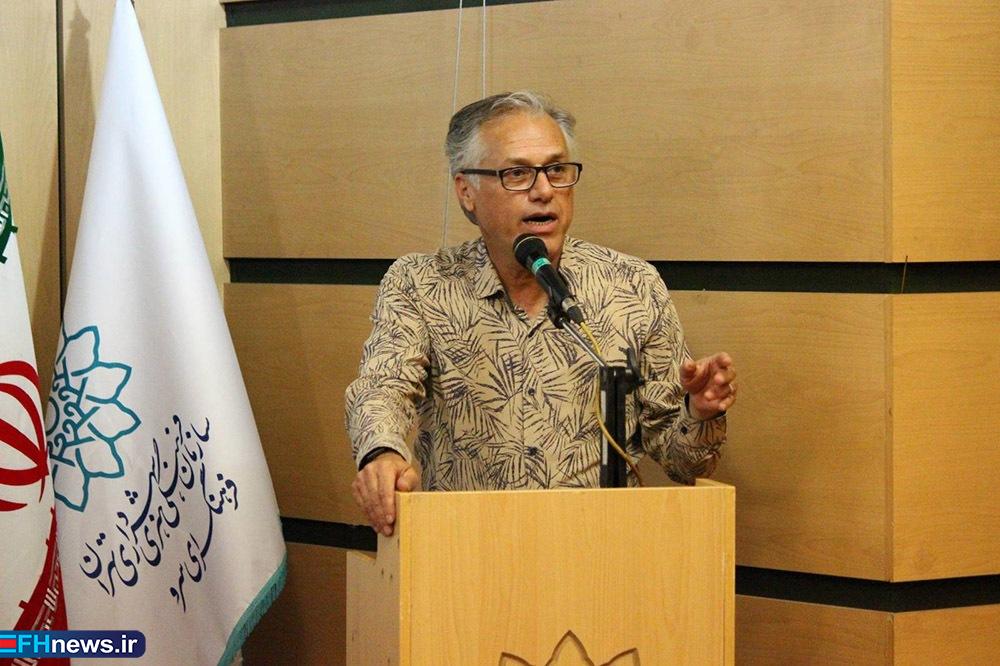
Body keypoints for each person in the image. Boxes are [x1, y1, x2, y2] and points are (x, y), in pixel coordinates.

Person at [347, 91, 736, 536]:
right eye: (517, 174)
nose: (544, 191)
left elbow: (682, 462)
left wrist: (700, 413)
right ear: (466, 191)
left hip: (603, 549)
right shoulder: (421, 284)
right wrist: (382, 453)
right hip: (468, 551)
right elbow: (383, 387)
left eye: (556, 170)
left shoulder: (631, 285)